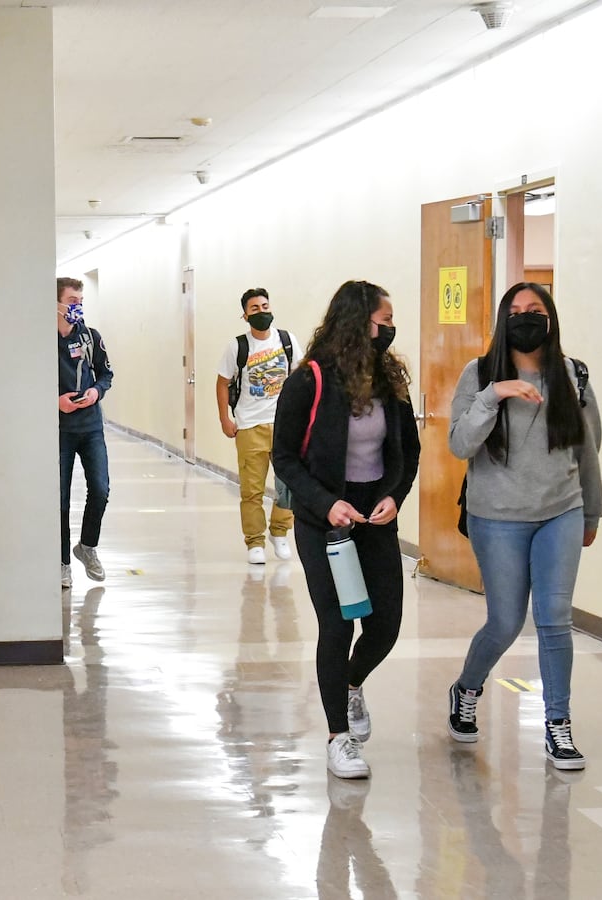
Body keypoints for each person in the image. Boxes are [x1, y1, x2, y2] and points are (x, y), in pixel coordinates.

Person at [445, 282, 602, 771]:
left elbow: (589, 448)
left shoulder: (572, 375)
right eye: (515, 311)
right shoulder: (479, 373)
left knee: (554, 618)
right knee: (505, 622)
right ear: (502, 321)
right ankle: (467, 687)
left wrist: (592, 511)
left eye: (535, 309)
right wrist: (495, 394)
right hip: (497, 517)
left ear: (550, 318)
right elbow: (459, 443)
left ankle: (558, 725)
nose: (525, 317)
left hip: (561, 510)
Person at [271, 280, 420, 780]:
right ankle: (338, 738)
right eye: (384, 320)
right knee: (337, 624)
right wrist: (325, 502)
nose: (390, 330)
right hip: (324, 520)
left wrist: (394, 497)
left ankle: (352, 684)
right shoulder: (309, 381)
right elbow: (285, 457)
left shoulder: (389, 380)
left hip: (374, 515)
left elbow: (409, 451)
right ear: (359, 323)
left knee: (385, 624)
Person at [216, 287, 297, 565]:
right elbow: (223, 382)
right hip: (250, 425)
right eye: (255, 309)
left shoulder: (286, 340)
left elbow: (299, 376)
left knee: (290, 484)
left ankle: (280, 531)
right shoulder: (237, 346)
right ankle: (255, 541)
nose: (262, 312)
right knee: (252, 489)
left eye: (265, 306)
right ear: (245, 315)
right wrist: (225, 418)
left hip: (285, 425)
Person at [57, 277, 114, 590]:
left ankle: (87, 547)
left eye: (81, 300)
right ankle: (62, 562)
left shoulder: (91, 337)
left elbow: (106, 374)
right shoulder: (42, 341)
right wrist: (55, 402)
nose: (77, 306)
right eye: (72, 300)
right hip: (60, 431)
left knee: (101, 489)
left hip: (91, 426)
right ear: (56, 304)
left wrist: (95, 391)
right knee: (60, 499)